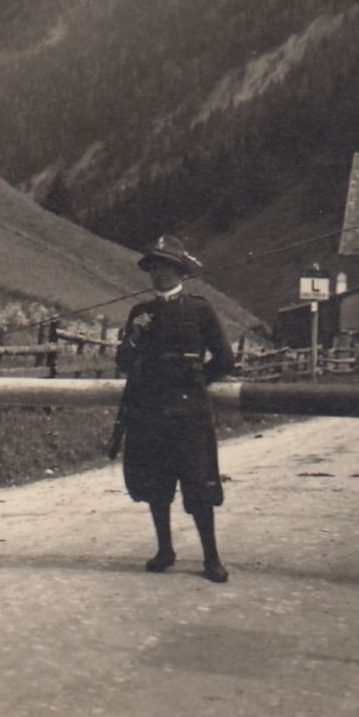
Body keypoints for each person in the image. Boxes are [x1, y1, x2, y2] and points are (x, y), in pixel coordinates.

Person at [108, 236, 236, 581]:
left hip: (189, 413)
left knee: (199, 484)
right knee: (156, 485)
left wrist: (194, 381)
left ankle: (211, 559)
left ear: (180, 271)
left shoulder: (200, 309)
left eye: (166, 267)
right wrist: (134, 337)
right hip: (149, 414)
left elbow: (225, 359)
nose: (159, 273)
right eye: (154, 267)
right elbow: (123, 362)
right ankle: (165, 550)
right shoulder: (140, 313)